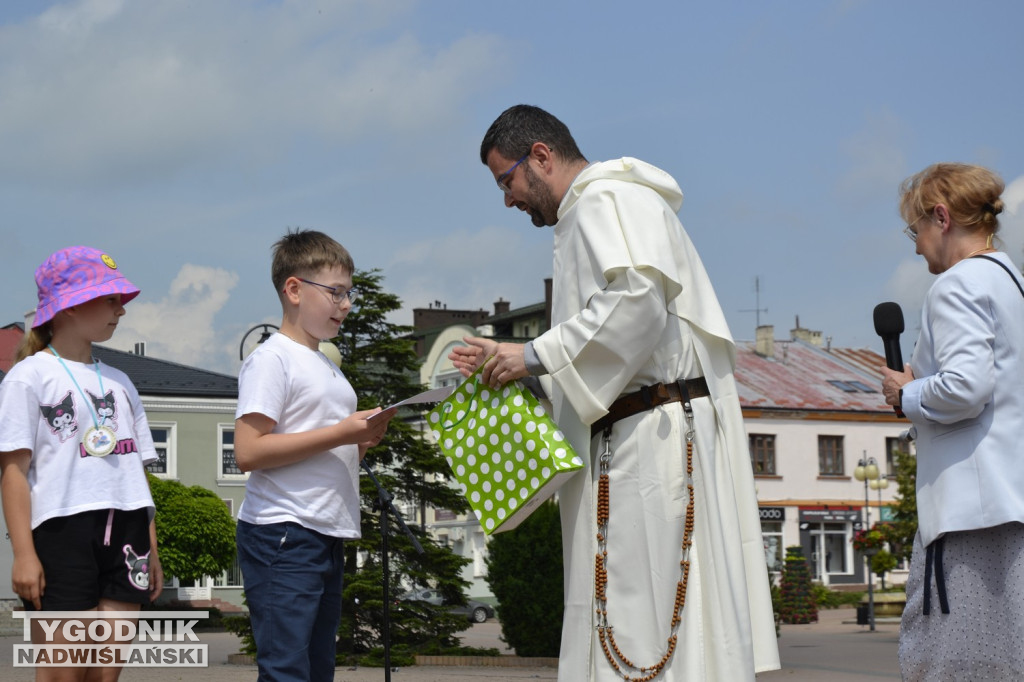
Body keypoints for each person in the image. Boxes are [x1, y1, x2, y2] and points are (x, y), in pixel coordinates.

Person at [450, 105, 779, 681]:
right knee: (632, 618)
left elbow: (635, 306)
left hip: (653, 442)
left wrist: (531, 353)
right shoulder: (589, 211)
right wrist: (523, 370)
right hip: (633, 436)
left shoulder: (606, 199)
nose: (507, 200)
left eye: (507, 181)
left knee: (649, 623)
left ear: (542, 156)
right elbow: (610, 344)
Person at [881, 163, 1024, 680]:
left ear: (941, 218)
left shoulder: (957, 284)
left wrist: (908, 391)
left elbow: (968, 386)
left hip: (970, 514)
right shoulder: (1012, 281)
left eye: (915, 229)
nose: (916, 247)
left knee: (952, 664)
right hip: (1009, 501)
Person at [234, 229, 395, 682]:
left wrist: (359, 442)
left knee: (318, 668)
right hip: (284, 532)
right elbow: (248, 451)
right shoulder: (272, 359)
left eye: (349, 293)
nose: (346, 305)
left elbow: (316, 443)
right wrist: (342, 431)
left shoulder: (324, 363)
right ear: (294, 289)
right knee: (287, 670)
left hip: (324, 530)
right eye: (335, 293)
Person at [0, 246, 163, 682]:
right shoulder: (29, 377)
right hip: (61, 531)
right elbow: (13, 473)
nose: (120, 311)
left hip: (129, 531)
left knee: (105, 676)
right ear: (69, 306)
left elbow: (136, 474)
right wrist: (23, 554)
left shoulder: (122, 382)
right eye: (110, 299)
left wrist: (152, 548)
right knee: (62, 674)